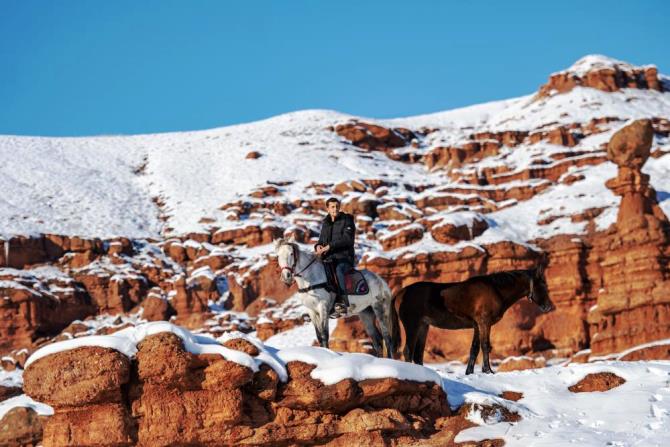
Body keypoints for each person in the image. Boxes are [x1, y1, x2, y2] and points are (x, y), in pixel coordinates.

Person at [314, 197, 356, 314]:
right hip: (328, 258)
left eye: (337, 206)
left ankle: (343, 302)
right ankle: (317, 303)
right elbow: (321, 240)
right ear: (327, 209)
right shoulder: (326, 223)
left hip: (344, 257)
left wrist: (329, 246)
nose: (335, 209)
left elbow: (347, 239)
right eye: (332, 207)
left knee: (339, 271)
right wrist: (318, 246)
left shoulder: (347, 220)